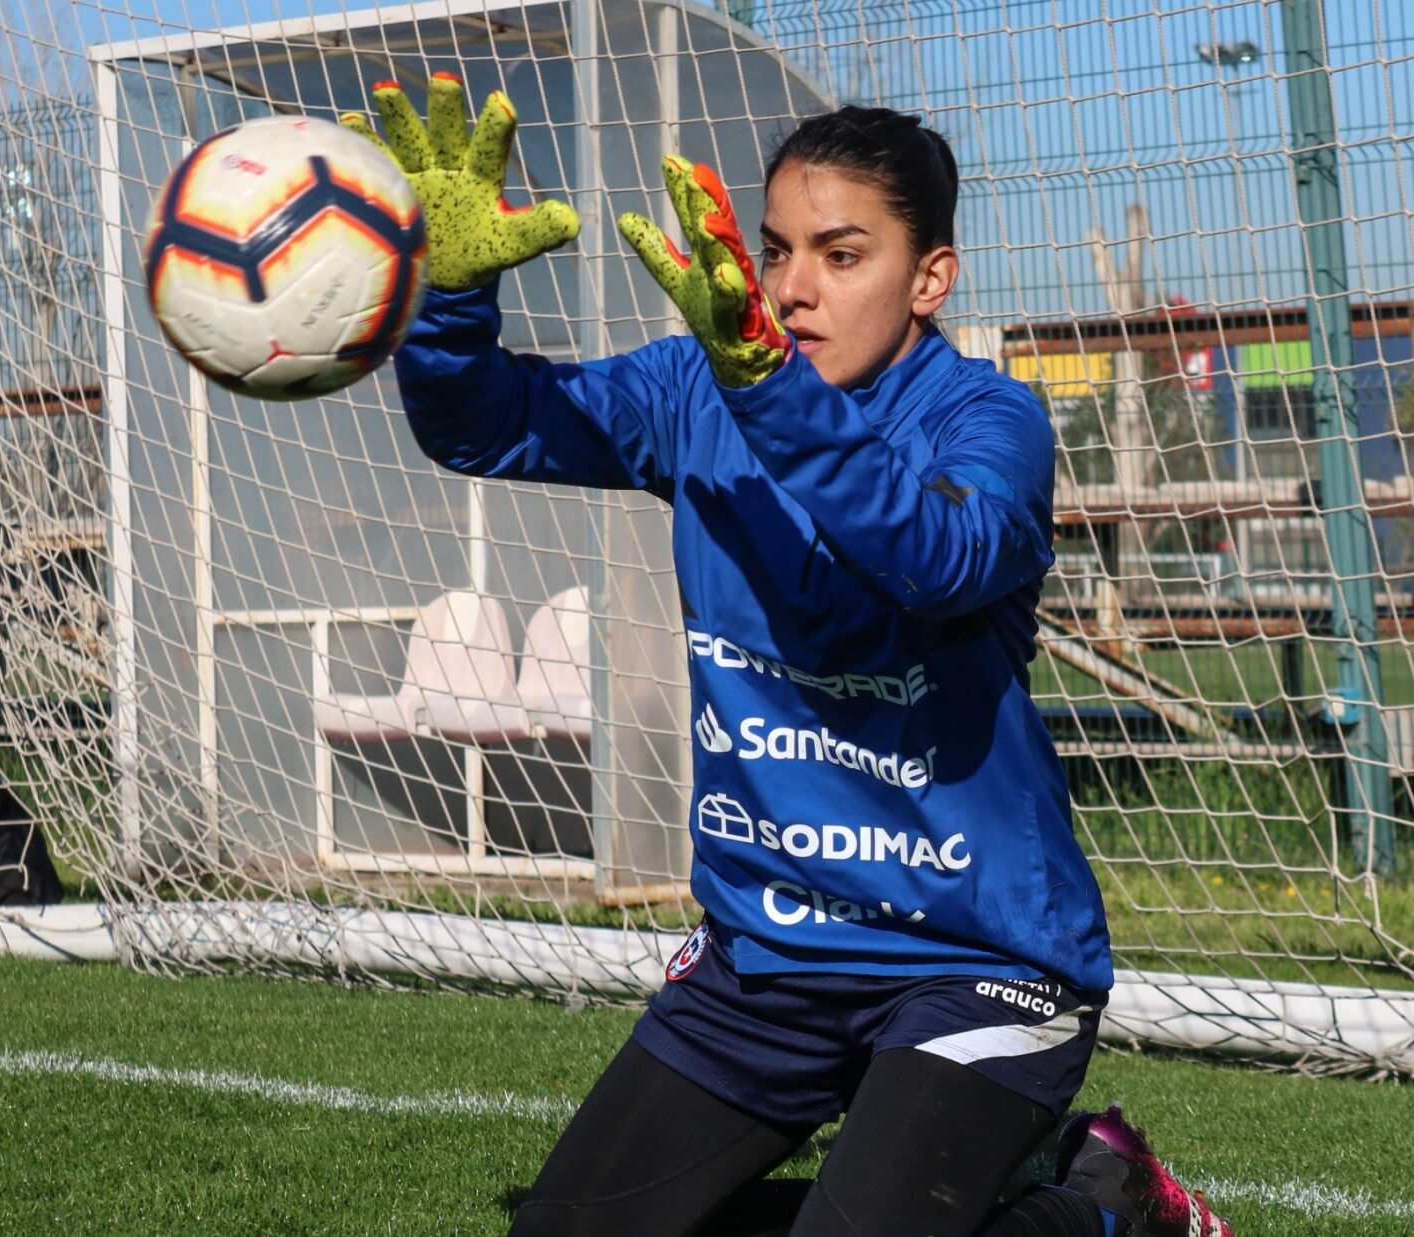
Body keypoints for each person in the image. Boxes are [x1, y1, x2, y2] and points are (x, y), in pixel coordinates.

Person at [341, 75, 1231, 1237]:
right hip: (765, 956)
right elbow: (485, 423)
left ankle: (1109, 1205)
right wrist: (449, 299)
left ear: (929, 279)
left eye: (842, 254)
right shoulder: (693, 389)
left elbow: (940, 555)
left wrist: (767, 390)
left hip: (974, 958)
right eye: (772, 252)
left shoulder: (988, 418)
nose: (792, 288)